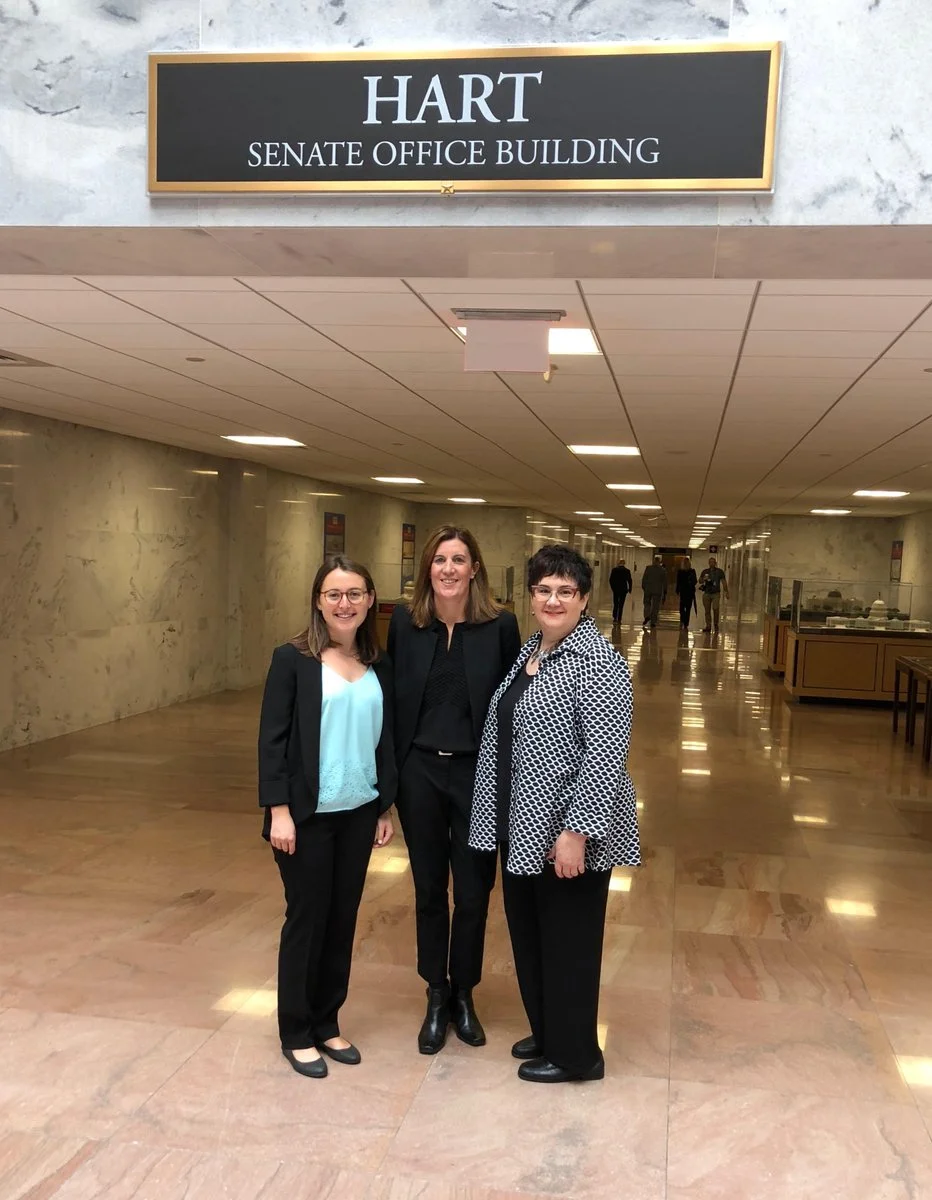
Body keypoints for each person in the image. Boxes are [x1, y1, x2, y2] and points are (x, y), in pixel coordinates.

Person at [470, 544, 639, 1084]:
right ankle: (548, 1030)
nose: (553, 599)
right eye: (544, 589)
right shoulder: (532, 650)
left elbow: (604, 755)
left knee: (568, 943)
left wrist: (576, 833)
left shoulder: (599, 661)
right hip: (522, 824)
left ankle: (577, 1056)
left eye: (565, 591)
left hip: (566, 832)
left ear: (585, 599)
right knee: (531, 935)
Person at [258, 555, 397, 1079]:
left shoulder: (376, 662)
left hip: (358, 812)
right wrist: (279, 812)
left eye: (355, 593)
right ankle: (295, 1031)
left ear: (369, 600)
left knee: (342, 920)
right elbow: (272, 740)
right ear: (318, 600)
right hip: (307, 816)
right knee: (307, 918)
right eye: (335, 594)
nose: (345, 603)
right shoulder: (292, 659)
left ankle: (326, 1020)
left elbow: (383, 737)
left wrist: (385, 805)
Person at [388, 526, 522, 1055]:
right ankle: (436, 992)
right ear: (428, 569)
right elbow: (391, 704)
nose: (447, 569)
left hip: (477, 776)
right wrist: (387, 785)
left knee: (471, 891)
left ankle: (465, 991)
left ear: (474, 569)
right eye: (439, 559)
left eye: (458, 559)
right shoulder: (406, 622)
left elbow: (515, 705)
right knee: (427, 890)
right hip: (419, 772)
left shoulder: (500, 626)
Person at [699, 556, 729, 633]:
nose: (712, 563)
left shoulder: (720, 572)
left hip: (716, 593)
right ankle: (708, 625)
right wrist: (703, 579)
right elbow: (700, 581)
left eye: (713, 562)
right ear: (709, 563)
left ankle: (716, 624)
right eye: (710, 562)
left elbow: (723, 582)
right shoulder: (705, 571)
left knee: (716, 609)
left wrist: (726, 592)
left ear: (715, 563)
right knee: (707, 610)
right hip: (707, 593)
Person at [641, 554, 667, 629]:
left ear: (653, 561)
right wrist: (665, 591)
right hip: (657, 590)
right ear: (659, 562)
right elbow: (665, 582)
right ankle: (653, 622)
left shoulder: (648, 568)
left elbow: (644, 579)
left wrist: (644, 587)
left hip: (648, 589)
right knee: (655, 606)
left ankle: (647, 616)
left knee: (646, 604)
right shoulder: (662, 570)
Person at [676, 557, 698, 630]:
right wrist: (677, 590)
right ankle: (683, 620)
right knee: (682, 608)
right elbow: (678, 581)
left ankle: (686, 622)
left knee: (688, 608)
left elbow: (695, 581)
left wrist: (691, 582)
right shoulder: (680, 571)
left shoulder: (692, 571)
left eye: (686, 563)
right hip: (683, 591)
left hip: (690, 591)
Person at [608, 558, 633, 625]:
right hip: (623, 589)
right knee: (621, 604)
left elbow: (611, 580)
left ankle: (615, 617)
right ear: (624, 563)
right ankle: (619, 618)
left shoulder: (614, 570)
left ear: (618, 563)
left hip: (616, 589)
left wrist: (613, 588)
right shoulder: (627, 571)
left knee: (616, 603)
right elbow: (629, 580)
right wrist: (630, 589)